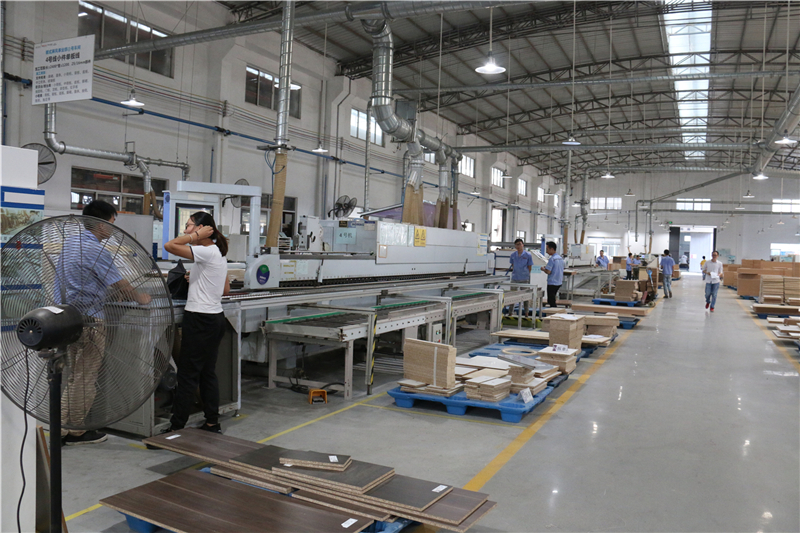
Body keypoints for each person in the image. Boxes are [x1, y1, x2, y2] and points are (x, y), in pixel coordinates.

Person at [56, 200, 152, 446]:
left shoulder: (70, 244)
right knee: (85, 378)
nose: (112, 228)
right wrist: (140, 297)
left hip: (67, 319)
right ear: (101, 224)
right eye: (112, 222)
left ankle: (61, 428)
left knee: (74, 376)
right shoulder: (96, 250)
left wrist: (111, 291)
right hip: (90, 321)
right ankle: (76, 431)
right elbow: (121, 283)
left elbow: (83, 279)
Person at [164, 211, 231, 433]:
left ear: (201, 228)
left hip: (200, 319)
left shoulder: (206, 250)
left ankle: (176, 428)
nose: (185, 230)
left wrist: (195, 237)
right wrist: (195, 277)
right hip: (215, 319)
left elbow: (170, 246)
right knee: (206, 373)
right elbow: (225, 289)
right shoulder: (217, 252)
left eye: (189, 226)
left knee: (187, 375)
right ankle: (212, 422)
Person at [506, 238, 533, 315]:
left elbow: (530, 266)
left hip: (524, 278)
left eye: (519, 244)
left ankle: (526, 312)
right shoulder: (513, 255)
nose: (518, 246)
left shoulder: (528, 255)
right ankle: (510, 312)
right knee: (512, 295)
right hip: (515, 278)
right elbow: (513, 265)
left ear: (522, 245)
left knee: (525, 296)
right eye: (516, 245)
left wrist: (526, 274)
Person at [541, 241, 564, 308]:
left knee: (551, 301)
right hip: (558, 281)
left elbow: (548, 271)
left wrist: (543, 269)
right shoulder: (560, 258)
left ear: (552, 249)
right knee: (552, 299)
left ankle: (554, 312)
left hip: (552, 282)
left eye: (547, 249)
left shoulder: (552, 259)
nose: (546, 251)